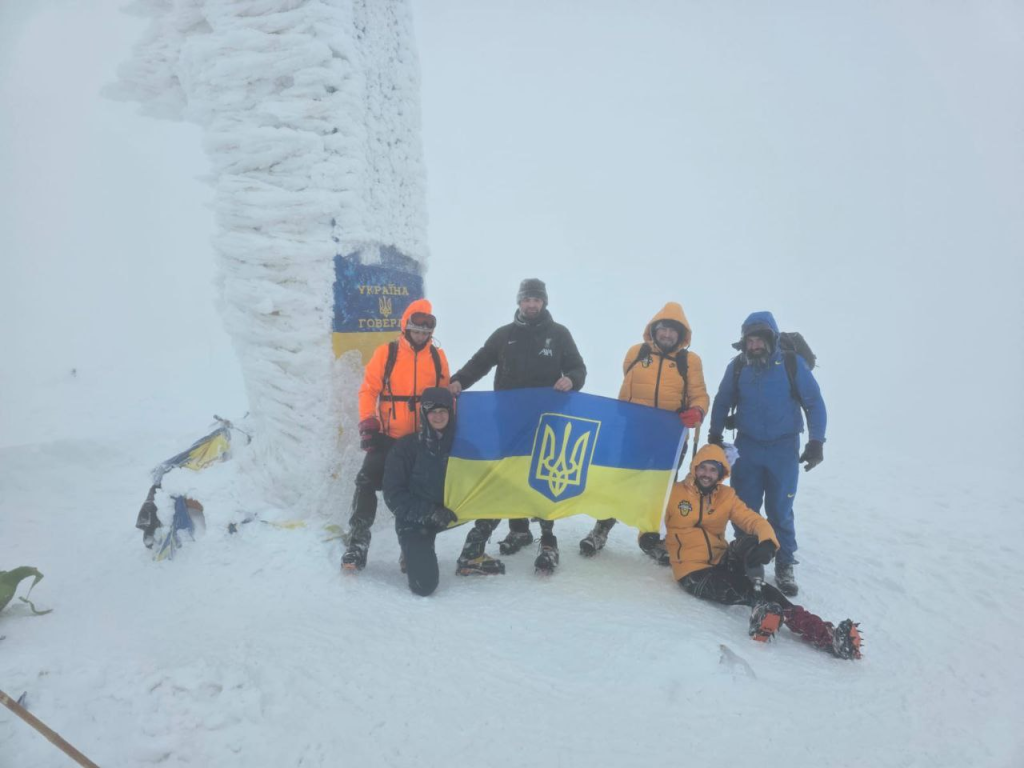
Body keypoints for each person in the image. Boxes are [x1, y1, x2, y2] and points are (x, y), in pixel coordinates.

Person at [666, 444, 862, 659]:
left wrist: (768, 542)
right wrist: (646, 536)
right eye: (703, 468)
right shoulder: (674, 493)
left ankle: (821, 632)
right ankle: (766, 613)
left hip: (722, 558)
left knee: (751, 540)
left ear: (721, 473)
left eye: (714, 470)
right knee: (753, 590)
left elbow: (752, 520)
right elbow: (649, 513)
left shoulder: (726, 495)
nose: (707, 474)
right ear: (694, 467)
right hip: (694, 572)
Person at [448, 278, 587, 573]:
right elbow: (480, 362)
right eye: (526, 299)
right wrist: (458, 381)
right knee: (508, 476)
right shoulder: (504, 335)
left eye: (536, 299)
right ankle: (520, 529)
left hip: (546, 423)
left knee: (543, 476)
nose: (531, 304)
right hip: (507, 421)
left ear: (544, 302)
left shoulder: (559, 334)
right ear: (519, 302)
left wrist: (571, 379)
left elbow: (578, 367)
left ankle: (548, 540)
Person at [707, 311, 826, 596]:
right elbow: (722, 401)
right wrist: (714, 436)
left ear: (772, 339)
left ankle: (784, 562)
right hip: (747, 447)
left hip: (783, 449)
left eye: (760, 339)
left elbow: (814, 403)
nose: (755, 345)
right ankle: (749, 556)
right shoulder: (738, 368)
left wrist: (816, 442)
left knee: (780, 509)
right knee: (744, 508)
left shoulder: (791, 364)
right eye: (750, 340)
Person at [579, 302, 709, 563]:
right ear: (654, 330)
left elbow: (699, 394)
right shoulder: (636, 353)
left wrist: (697, 411)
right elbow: (627, 385)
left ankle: (648, 538)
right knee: (620, 481)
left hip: (670, 438)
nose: (668, 335)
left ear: (681, 335)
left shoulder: (689, 361)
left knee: (658, 489)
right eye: (663, 329)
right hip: (633, 432)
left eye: (674, 331)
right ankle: (600, 531)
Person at [342, 299, 450, 571]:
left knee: (421, 493)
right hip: (389, 437)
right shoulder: (387, 353)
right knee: (366, 481)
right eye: (417, 330)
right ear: (406, 327)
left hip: (422, 441)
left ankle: (411, 549)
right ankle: (357, 543)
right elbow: (368, 390)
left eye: (427, 332)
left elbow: (446, 399)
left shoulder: (438, 357)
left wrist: (446, 433)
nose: (422, 336)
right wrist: (369, 422)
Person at [382, 388, 496, 595]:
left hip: (453, 513)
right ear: (423, 413)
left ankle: (472, 553)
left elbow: (487, 479)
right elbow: (393, 495)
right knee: (424, 586)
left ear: (451, 412)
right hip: (415, 521)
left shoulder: (462, 446)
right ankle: (411, 551)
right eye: (432, 410)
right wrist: (430, 513)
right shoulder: (406, 447)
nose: (438, 415)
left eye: (443, 410)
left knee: (497, 500)